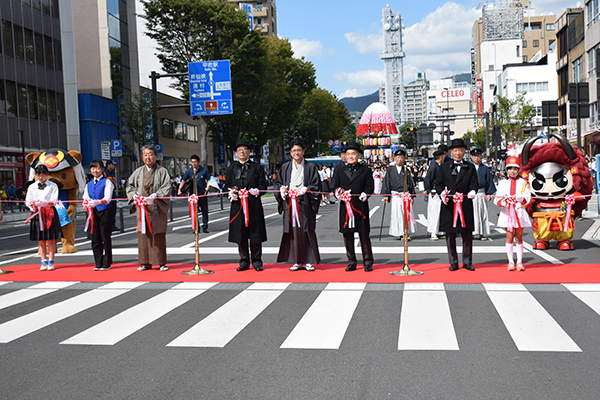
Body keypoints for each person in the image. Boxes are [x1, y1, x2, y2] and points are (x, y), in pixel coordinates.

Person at [274, 139, 321, 271]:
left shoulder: (310, 167)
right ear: (290, 152)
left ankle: (308, 260)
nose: (296, 153)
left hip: (305, 202)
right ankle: (296, 260)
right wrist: (281, 190)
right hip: (290, 203)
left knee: (307, 230)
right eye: (294, 150)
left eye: (299, 150)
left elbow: (316, 185)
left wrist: (307, 189)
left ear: (303, 151)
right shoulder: (285, 167)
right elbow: (277, 183)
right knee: (293, 231)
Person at [434, 138, 479, 271]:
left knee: (467, 234)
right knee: (450, 234)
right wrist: (442, 193)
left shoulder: (469, 167)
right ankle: (453, 261)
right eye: (455, 150)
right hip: (449, 204)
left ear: (464, 152)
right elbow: (438, 183)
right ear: (451, 152)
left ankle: (467, 261)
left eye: (460, 150)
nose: (458, 153)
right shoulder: (444, 167)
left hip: (465, 204)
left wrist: (472, 191)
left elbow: (474, 182)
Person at [225, 139, 268, 271]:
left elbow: (263, 185)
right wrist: (231, 192)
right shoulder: (231, 168)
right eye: (239, 150)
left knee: (255, 233)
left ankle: (257, 261)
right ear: (236, 153)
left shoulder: (257, 167)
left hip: (253, 205)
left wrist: (257, 191)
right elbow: (226, 185)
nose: (242, 151)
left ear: (249, 151)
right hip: (238, 206)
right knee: (240, 233)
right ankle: (244, 260)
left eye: (245, 149)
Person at [126, 144, 171, 272]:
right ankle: (144, 262)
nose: (148, 157)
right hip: (142, 208)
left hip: (156, 207)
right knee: (143, 235)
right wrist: (134, 195)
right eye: (145, 155)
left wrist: (156, 195)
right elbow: (130, 185)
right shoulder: (138, 172)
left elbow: (166, 187)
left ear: (156, 156)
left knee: (158, 234)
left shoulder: (162, 171)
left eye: (150, 154)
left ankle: (161, 262)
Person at [333, 141, 374, 272]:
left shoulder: (365, 170)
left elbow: (370, 186)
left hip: (360, 206)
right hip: (345, 206)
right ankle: (351, 260)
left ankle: (367, 261)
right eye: (348, 154)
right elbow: (334, 186)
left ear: (359, 155)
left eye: (353, 154)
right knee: (347, 235)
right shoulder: (339, 170)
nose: (350, 156)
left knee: (364, 235)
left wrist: (366, 194)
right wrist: (338, 193)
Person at [495, 156, 532, 271]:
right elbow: (497, 199)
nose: (513, 171)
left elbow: (528, 198)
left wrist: (521, 200)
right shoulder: (502, 183)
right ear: (506, 170)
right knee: (509, 237)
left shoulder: (524, 183)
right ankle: (511, 262)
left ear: (518, 170)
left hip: (519, 212)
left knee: (519, 238)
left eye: (515, 168)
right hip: (507, 213)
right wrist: (505, 202)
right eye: (510, 168)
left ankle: (520, 262)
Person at [25, 165, 63, 271]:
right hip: (37, 213)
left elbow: (54, 200)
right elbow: (27, 201)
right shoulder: (32, 186)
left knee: (51, 239)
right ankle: (43, 261)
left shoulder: (53, 185)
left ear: (47, 174)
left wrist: (45, 203)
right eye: (38, 175)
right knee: (41, 240)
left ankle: (51, 261)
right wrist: (32, 205)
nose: (41, 177)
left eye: (43, 175)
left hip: (49, 213)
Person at [83, 160, 114, 271]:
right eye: (92, 168)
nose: (95, 170)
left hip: (104, 211)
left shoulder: (107, 182)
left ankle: (107, 262)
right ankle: (98, 262)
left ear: (102, 169)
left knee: (105, 237)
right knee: (95, 237)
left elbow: (107, 198)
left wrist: (97, 202)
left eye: (97, 168)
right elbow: (85, 197)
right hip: (93, 212)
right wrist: (85, 203)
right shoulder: (89, 184)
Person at [381, 148, 416, 240]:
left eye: (401, 158)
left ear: (404, 159)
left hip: (405, 195)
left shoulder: (406, 170)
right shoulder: (390, 170)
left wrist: (412, 196)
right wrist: (386, 196)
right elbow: (386, 182)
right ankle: (400, 233)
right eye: (398, 157)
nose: (399, 159)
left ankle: (406, 232)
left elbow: (410, 183)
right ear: (394, 158)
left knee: (406, 214)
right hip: (395, 195)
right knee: (397, 214)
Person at [178, 154, 211, 233]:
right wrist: (179, 190)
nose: (194, 164)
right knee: (194, 211)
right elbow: (183, 181)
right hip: (193, 195)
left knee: (204, 211)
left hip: (202, 193)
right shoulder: (188, 171)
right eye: (192, 162)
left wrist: (207, 187)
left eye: (195, 162)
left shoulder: (204, 170)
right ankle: (196, 227)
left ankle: (205, 226)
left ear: (198, 162)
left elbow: (209, 179)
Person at [470, 148, 496, 240]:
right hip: (470, 194)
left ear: (481, 157)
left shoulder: (484, 168)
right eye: (474, 156)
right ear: (471, 157)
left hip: (481, 192)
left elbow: (489, 181)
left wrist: (488, 193)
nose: (476, 158)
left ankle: (482, 233)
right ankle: (471, 232)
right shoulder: (468, 167)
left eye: (478, 156)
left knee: (482, 213)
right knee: (471, 214)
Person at [423, 150, 445, 240]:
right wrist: (427, 189)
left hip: (441, 192)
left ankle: (439, 231)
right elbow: (428, 179)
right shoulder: (433, 166)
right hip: (434, 192)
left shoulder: (439, 166)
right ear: (440, 157)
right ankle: (433, 232)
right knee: (434, 213)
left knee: (440, 212)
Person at [103, 160, 119, 231]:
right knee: (108, 210)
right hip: (108, 194)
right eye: (112, 164)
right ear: (108, 165)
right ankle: (108, 225)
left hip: (113, 193)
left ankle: (113, 224)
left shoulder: (112, 173)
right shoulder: (105, 173)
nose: (114, 166)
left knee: (113, 209)